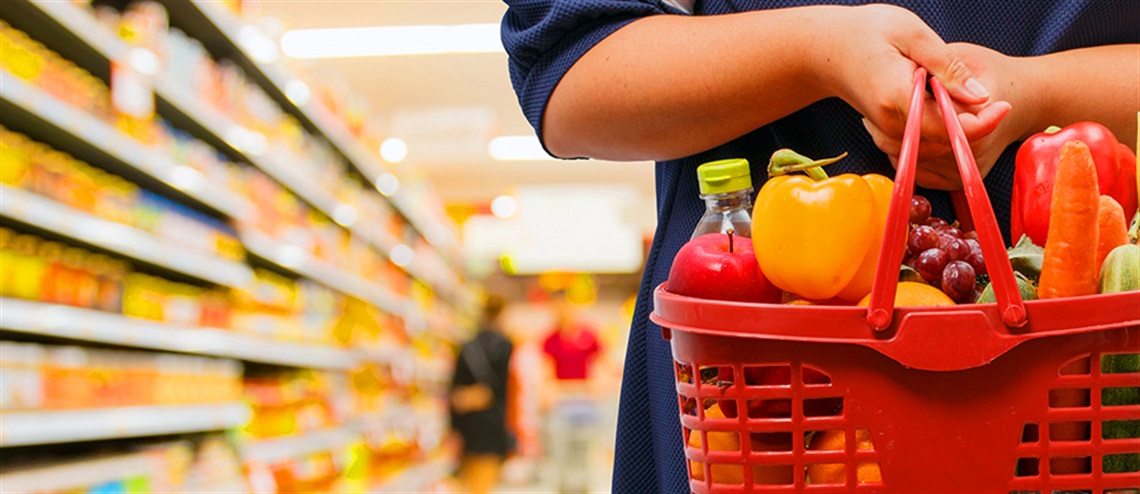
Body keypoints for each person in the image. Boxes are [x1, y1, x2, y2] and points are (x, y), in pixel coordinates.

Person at [499, 1, 1138, 492]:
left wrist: (1039, 90)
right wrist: (818, 52)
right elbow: (569, 63)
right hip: (761, 398)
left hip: (1097, 380)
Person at [449, 294, 514, 494]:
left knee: (469, 484)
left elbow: (454, 391)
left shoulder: (467, 347)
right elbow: (505, 389)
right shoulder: (506, 346)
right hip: (493, 425)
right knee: (486, 483)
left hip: (468, 426)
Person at [539, 291, 604, 493]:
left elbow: (600, 366)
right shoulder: (550, 339)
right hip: (562, 400)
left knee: (585, 452)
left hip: (585, 399)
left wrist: (597, 388)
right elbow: (547, 372)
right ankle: (563, 488)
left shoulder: (588, 336)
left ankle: (585, 487)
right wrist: (547, 395)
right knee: (561, 453)